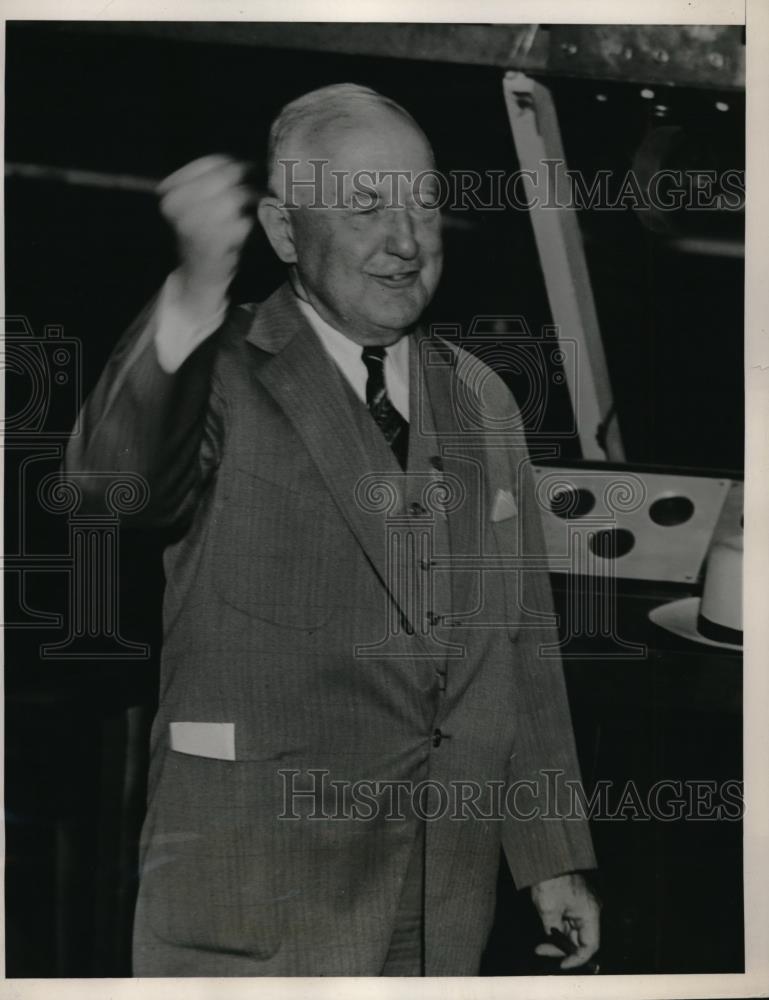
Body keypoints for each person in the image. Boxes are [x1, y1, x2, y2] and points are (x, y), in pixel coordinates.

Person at [66, 83, 600, 977]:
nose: (404, 241)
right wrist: (196, 286)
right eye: (364, 208)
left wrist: (550, 858)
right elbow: (106, 487)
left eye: (423, 205)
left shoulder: (483, 399)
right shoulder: (222, 373)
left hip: (439, 906)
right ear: (282, 232)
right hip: (254, 899)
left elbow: (521, 647)